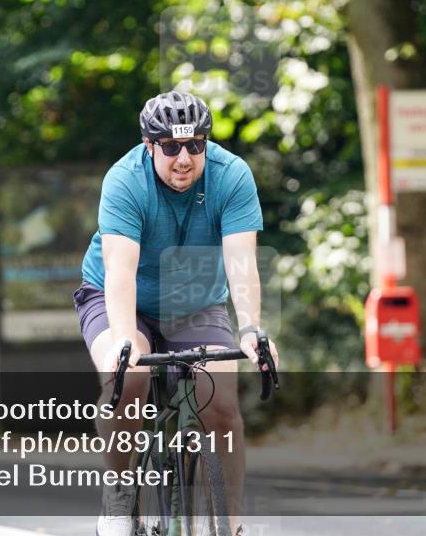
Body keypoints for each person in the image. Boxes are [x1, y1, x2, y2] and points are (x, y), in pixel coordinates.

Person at [73, 91, 279, 536]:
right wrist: (125, 341)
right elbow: (120, 273)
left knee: (221, 405)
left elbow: (241, 263)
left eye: (195, 145)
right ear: (150, 146)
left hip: (195, 303)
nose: (184, 158)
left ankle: (230, 526)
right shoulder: (125, 180)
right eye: (170, 147)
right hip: (118, 298)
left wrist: (250, 330)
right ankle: (118, 495)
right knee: (129, 377)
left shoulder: (232, 176)